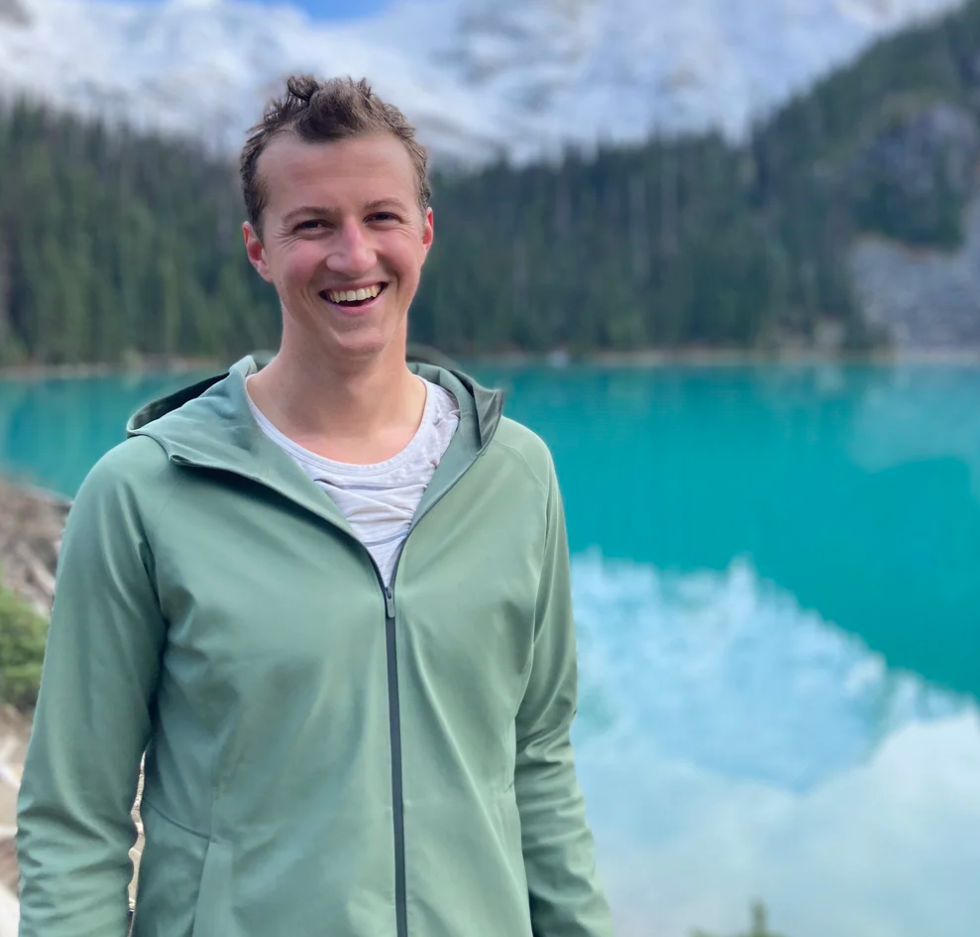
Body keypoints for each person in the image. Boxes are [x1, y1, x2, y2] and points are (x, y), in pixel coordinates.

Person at [16, 75, 614, 937]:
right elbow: (77, 815)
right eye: (311, 225)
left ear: (425, 234)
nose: (353, 255)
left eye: (380, 217)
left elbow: (539, 762)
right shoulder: (142, 491)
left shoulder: (518, 474)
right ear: (258, 249)